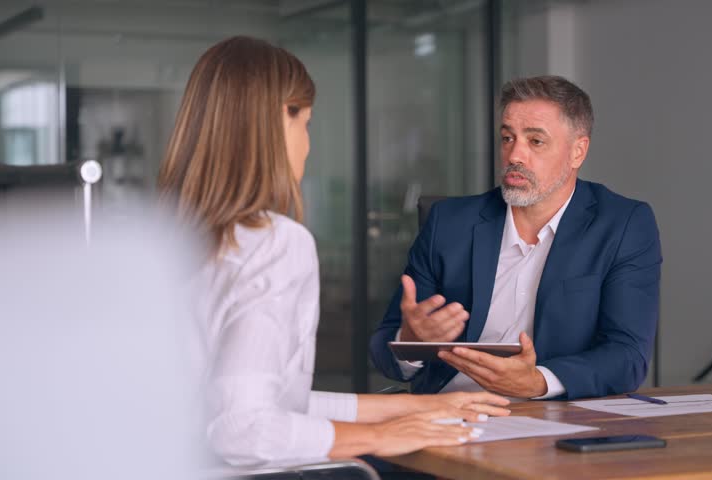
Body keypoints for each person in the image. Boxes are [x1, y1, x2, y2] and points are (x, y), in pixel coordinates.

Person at [156, 36, 511, 471]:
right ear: (276, 120)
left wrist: (408, 410)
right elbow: (242, 427)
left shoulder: (160, 241)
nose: (308, 143)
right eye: (305, 123)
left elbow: (255, 398)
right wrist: (381, 437)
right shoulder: (273, 243)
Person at [369, 75, 662, 401]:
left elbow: (627, 356)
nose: (514, 155)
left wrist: (538, 382)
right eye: (508, 138)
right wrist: (411, 343)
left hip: (557, 416)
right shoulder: (449, 223)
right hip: (452, 412)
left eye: (535, 141)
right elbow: (384, 350)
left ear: (578, 151)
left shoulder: (622, 225)